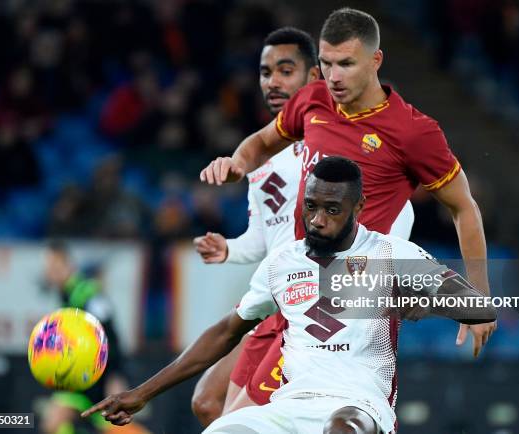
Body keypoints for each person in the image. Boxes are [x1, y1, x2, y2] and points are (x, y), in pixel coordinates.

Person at [81, 157, 496, 434]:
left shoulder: (391, 254)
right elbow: (226, 332)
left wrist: (429, 304)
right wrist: (141, 393)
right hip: (290, 405)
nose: (317, 220)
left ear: (359, 208)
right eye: (310, 205)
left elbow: (472, 303)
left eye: (332, 210)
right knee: (222, 429)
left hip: (359, 406)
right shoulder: (283, 262)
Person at [199, 8, 496, 355]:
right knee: (210, 400)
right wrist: (238, 162)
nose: (334, 76)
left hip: (349, 301)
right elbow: (263, 142)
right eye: (326, 63)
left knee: (277, 399)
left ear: (376, 60)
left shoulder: (413, 132)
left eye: (346, 64)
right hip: (295, 279)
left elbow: (463, 208)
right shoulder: (313, 99)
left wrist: (479, 296)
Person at [191, 27, 415, 426]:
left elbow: (392, 210)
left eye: (285, 70)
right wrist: (230, 249)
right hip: (277, 294)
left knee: (248, 416)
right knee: (207, 404)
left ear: (315, 78)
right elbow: (263, 239)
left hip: (320, 306)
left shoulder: (332, 151)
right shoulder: (261, 158)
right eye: (265, 72)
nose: (272, 81)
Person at [41, 240, 137, 434]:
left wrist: (115, 374)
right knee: (55, 423)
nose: (51, 272)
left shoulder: (88, 293)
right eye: (48, 267)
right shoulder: (65, 295)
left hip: (97, 376)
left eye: (55, 266)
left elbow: (110, 332)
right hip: (77, 376)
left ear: (69, 266)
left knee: (111, 427)